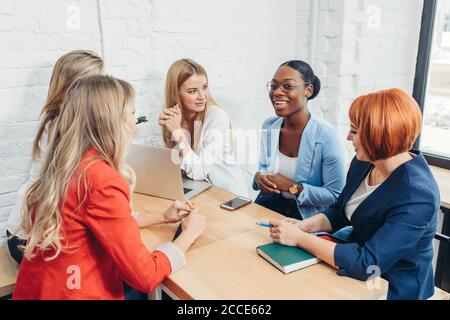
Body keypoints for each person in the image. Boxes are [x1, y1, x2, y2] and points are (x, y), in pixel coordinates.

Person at [13, 75, 206, 300]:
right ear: (112, 121)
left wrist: (162, 217)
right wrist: (189, 234)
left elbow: (92, 227)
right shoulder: (103, 180)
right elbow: (145, 275)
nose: (136, 121)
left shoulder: (66, 162)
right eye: (133, 112)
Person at [267, 88, 439, 300]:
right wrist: (303, 226)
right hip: (354, 261)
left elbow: (368, 262)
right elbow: (339, 211)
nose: (348, 137)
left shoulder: (417, 195)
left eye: (355, 131)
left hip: (390, 284)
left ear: (378, 135)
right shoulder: (364, 162)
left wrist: (300, 238)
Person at [6, 50, 104, 264]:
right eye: (97, 84)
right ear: (77, 88)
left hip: (35, 231)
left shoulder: (60, 121)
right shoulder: (62, 128)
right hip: (30, 240)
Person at [253, 60, 346, 220]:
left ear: (308, 90)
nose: (277, 92)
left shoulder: (326, 136)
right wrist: (258, 178)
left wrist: (292, 187)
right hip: (268, 206)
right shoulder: (269, 126)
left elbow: (335, 195)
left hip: (305, 218)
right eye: (274, 86)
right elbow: (265, 170)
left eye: (287, 86)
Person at [158, 58, 249, 197]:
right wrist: (173, 130)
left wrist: (177, 134)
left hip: (229, 197)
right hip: (203, 193)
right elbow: (176, 167)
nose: (202, 96)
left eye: (205, 87)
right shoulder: (175, 118)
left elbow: (199, 173)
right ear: (176, 93)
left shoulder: (217, 117)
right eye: (193, 91)